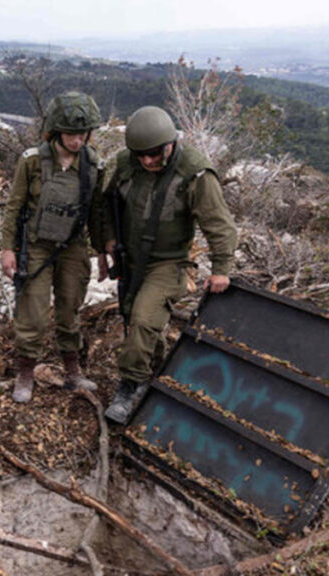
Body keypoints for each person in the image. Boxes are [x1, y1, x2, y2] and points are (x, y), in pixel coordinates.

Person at [98, 105, 238, 424]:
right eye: (141, 154)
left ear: (170, 144)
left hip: (169, 262)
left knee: (143, 321)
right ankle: (160, 373)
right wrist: (106, 242)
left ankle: (129, 387)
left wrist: (221, 269)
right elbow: (104, 203)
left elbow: (220, 225)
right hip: (130, 257)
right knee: (136, 317)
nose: (148, 161)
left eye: (155, 153)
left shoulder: (194, 173)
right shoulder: (124, 164)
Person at [0, 91, 106, 403]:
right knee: (32, 314)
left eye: (83, 133)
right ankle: (25, 373)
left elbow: (98, 214)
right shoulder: (33, 161)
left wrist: (102, 252)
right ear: (57, 130)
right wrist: (7, 248)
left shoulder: (93, 165)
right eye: (71, 133)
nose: (77, 140)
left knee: (70, 308)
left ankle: (72, 370)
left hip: (73, 246)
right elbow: (15, 206)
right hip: (36, 246)